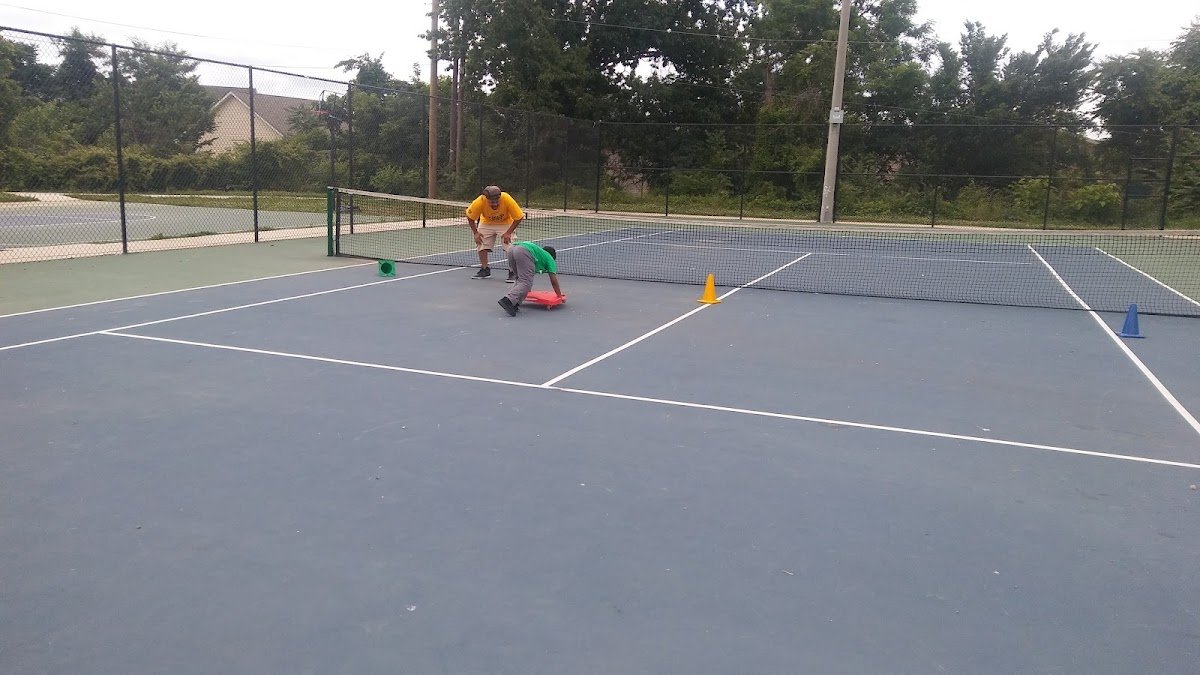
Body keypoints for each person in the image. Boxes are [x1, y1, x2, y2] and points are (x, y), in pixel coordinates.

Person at [464, 185, 524, 281]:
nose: (495, 204)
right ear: (486, 198)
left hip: (506, 222)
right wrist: (476, 233)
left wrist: (509, 233)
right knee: (481, 243)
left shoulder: (507, 198)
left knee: (510, 246)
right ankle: (485, 269)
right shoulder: (479, 202)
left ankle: (512, 271)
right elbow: (470, 217)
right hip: (486, 222)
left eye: (497, 201)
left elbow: (519, 217)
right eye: (492, 202)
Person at [498, 242, 563, 317]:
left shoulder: (539, 254)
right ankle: (507, 300)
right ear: (553, 256)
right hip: (523, 251)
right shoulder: (550, 259)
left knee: (520, 280)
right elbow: (553, 280)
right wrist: (559, 296)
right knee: (525, 282)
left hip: (511, 249)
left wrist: (526, 289)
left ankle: (515, 303)